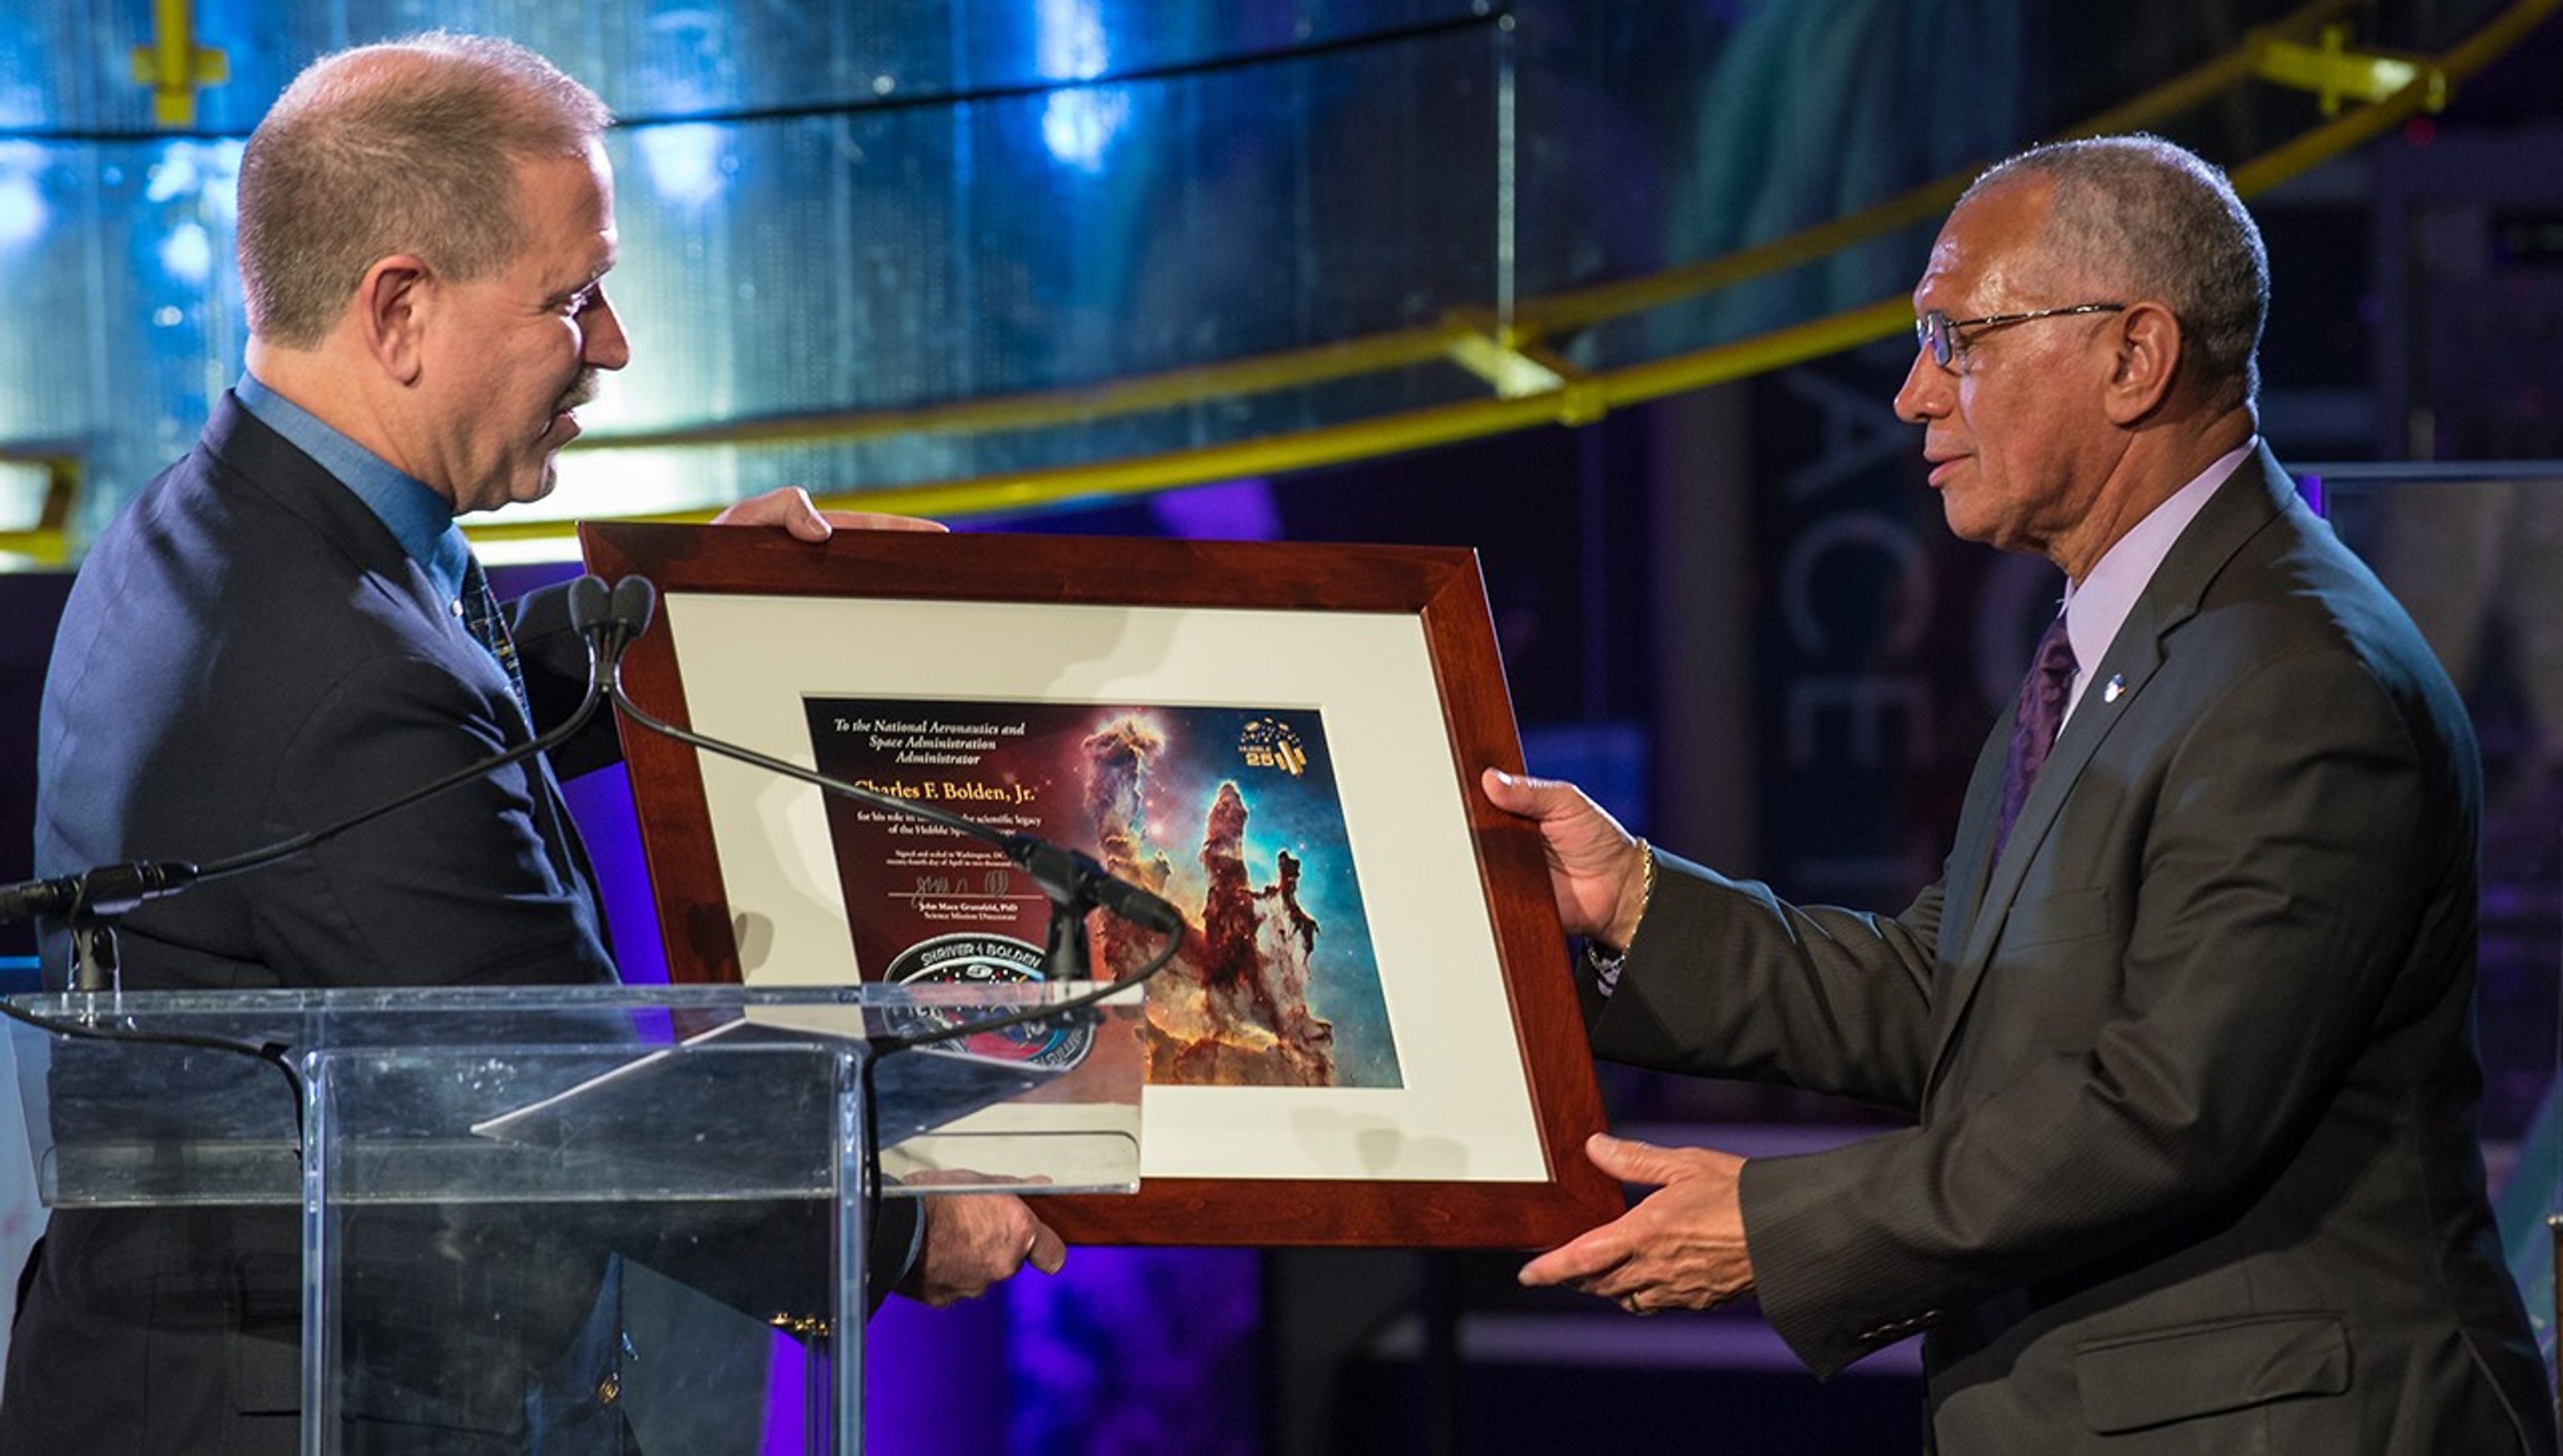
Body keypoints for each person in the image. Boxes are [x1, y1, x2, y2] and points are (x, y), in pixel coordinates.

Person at [3, 33, 1060, 1453]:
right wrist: (894, 1227)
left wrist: (701, 617)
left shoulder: (226, 520)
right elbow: (579, 1116)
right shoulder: (345, 679)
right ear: (400, 312)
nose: (611, 345)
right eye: (572, 299)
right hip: (330, 1408)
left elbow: (437, 705)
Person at [1488, 135, 2556, 1452]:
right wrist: (1630, 905)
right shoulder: (2127, 635)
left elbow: (2168, 1107)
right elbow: (1960, 1004)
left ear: (2133, 357)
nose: (1908, 396)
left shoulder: (2296, 675)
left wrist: (1775, 1226)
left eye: (1955, 338)